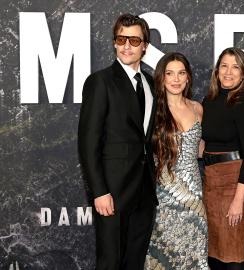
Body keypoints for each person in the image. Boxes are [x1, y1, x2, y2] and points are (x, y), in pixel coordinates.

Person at [78, 14, 157, 269]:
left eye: (134, 40)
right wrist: (99, 191)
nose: (127, 46)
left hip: (144, 192)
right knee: (110, 263)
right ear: (114, 42)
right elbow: (88, 142)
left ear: (145, 46)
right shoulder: (100, 81)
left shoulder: (150, 82)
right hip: (112, 192)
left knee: (134, 262)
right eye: (121, 39)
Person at [144, 52, 208, 269]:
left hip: (193, 197)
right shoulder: (151, 110)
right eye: (170, 73)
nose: (176, 79)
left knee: (193, 256)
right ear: (161, 78)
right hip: (163, 198)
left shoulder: (197, 108)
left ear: (188, 77)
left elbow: (200, 148)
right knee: (163, 257)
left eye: (181, 73)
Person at [201, 47, 244, 270]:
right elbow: (206, 143)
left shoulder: (242, 103)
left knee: (232, 253)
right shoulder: (210, 100)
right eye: (224, 65)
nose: (228, 72)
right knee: (214, 252)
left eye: (235, 67)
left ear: (243, 74)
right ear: (217, 71)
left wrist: (239, 200)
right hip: (210, 180)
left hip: (234, 180)